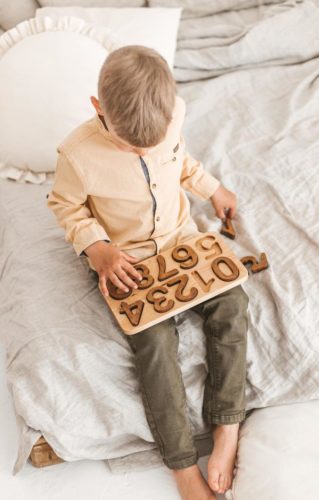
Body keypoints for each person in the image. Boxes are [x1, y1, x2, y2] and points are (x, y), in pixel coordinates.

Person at [46, 45, 249, 500]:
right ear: (98, 110)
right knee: (154, 345)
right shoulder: (77, 154)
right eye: (129, 145)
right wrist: (97, 249)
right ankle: (180, 465)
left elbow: (181, 161)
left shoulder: (172, 114)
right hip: (127, 258)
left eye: (150, 145)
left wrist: (212, 189)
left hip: (180, 239)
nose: (142, 151)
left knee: (234, 302)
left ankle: (227, 424)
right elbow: (65, 206)